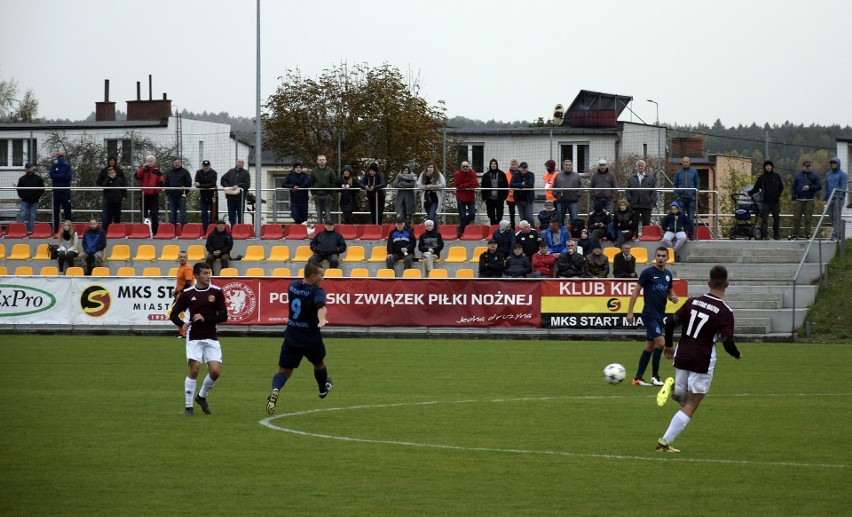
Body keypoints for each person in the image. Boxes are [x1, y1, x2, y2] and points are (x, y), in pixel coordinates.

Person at [655, 265, 740, 453]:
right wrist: (737, 354)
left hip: (682, 352)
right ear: (727, 284)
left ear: (708, 283)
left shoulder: (693, 301)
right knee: (692, 404)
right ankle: (664, 442)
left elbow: (669, 323)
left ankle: (675, 389)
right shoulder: (725, 311)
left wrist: (668, 346)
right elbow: (727, 342)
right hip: (702, 358)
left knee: (685, 399)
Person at [266, 261, 333, 415]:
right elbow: (321, 306)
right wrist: (322, 319)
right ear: (313, 276)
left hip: (292, 336)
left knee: (284, 371)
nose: (323, 278)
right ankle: (323, 390)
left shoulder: (293, 286)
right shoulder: (317, 292)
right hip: (311, 338)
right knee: (319, 364)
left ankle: (275, 390)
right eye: (321, 275)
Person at [170, 261, 228, 416]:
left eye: (209, 273)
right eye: (204, 273)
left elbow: (224, 316)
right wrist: (183, 324)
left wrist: (205, 318)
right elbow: (173, 314)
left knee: (215, 371)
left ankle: (201, 397)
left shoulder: (216, 292)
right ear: (196, 276)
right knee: (194, 369)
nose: (208, 276)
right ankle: (188, 408)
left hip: (211, 336)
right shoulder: (188, 294)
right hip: (194, 336)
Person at [626, 246, 678, 387]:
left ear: (667, 258)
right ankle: (655, 377)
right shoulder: (648, 273)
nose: (661, 258)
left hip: (660, 316)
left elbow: (669, 292)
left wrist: (673, 297)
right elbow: (635, 292)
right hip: (649, 315)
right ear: (655, 257)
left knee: (649, 346)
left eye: (663, 256)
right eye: (658, 255)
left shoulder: (668, 275)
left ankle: (638, 378)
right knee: (661, 344)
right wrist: (630, 312)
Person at [748, 160, 785, 240]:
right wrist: (749, 193)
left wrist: (777, 195)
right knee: (764, 219)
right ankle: (765, 234)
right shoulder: (762, 177)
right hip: (765, 202)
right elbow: (756, 188)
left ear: (772, 167)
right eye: (767, 166)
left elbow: (781, 187)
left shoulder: (776, 176)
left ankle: (776, 234)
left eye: (769, 166)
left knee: (776, 218)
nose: (768, 167)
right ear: (765, 167)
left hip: (775, 202)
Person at [788, 160, 822, 240]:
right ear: (803, 167)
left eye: (809, 166)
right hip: (799, 200)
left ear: (811, 166)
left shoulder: (815, 176)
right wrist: (793, 196)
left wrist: (810, 187)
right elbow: (793, 187)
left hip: (809, 200)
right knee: (796, 218)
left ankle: (808, 234)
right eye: (806, 166)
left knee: (808, 218)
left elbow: (819, 186)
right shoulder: (798, 176)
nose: (808, 168)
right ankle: (795, 234)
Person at [626, 160, 657, 235]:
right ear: (636, 167)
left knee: (646, 222)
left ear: (644, 167)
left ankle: (647, 236)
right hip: (634, 204)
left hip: (646, 204)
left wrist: (651, 200)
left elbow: (654, 191)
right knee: (634, 222)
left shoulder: (650, 177)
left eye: (641, 166)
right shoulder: (631, 178)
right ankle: (634, 236)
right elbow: (627, 191)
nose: (640, 167)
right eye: (639, 166)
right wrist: (630, 200)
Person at [135, 155, 164, 236]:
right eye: (148, 161)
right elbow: (137, 176)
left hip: (153, 196)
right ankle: (142, 231)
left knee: (154, 213)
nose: (150, 162)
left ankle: (155, 232)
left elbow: (161, 183)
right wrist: (143, 168)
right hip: (144, 195)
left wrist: (155, 191)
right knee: (143, 213)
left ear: (154, 162)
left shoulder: (157, 171)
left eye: (151, 161)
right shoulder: (143, 170)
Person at [169, 250, 195, 339]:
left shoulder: (187, 268)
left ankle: (185, 330)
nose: (182, 258)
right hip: (182, 294)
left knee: (173, 315)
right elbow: (182, 282)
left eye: (184, 257)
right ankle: (183, 332)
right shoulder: (181, 268)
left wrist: (180, 293)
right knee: (178, 314)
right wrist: (176, 290)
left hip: (185, 295)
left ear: (187, 258)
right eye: (181, 257)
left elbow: (188, 283)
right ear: (178, 258)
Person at [16, 162, 44, 235]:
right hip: (25, 201)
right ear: (25, 169)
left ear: (32, 168)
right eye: (27, 167)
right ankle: (19, 231)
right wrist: (22, 196)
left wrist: (37, 196)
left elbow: (42, 189)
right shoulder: (22, 179)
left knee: (32, 216)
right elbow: (19, 189)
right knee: (22, 215)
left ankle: (30, 231)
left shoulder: (38, 178)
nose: (28, 169)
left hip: (34, 201)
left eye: (29, 167)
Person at [96, 157, 125, 227]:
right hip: (108, 198)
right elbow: (98, 181)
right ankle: (105, 230)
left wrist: (123, 195)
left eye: (113, 160)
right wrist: (107, 182)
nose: (112, 162)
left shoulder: (119, 173)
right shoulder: (104, 172)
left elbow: (124, 185)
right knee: (106, 215)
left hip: (117, 198)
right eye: (110, 160)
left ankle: (117, 230)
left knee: (117, 215)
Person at [824, 157, 848, 240]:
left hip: (838, 198)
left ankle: (835, 234)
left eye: (835, 163)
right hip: (830, 198)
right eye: (832, 163)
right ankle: (839, 233)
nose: (833, 164)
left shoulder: (843, 175)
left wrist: (840, 197)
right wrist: (825, 198)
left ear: (838, 164)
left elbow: (843, 186)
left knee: (837, 216)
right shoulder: (828, 174)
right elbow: (826, 187)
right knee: (831, 217)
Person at [553, 159, 582, 228]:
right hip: (560, 201)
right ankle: (560, 234)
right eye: (566, 165)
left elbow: (581, 186)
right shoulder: (558, 176)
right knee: (560, 219)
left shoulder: (577, 175)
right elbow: (553, 187)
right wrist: (555, 195)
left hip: (573, 201)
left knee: (574, 219)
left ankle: (574, 234)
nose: (568, 166)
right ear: (563, 166)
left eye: (569, 165)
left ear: (572, 166)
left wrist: (577, 195)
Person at [49, 150, 73, 233]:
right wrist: (62, 175)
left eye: (62, 156)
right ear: (57, 157)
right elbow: (52, 176)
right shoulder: (53, 166)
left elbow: (68, 177)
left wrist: (58, 176)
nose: (61, 158)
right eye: (59, 156)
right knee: (56, 212)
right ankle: (56, 230)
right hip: (56, 192)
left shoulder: (67, 167)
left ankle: (69, 229)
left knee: (67, 211)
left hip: (65, 192)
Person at [221, 159, 250, 225]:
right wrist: (228, 187)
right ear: (236, 163)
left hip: (240, 198)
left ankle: (240, 229)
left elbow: (247, 184)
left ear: (243, 164)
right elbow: (223, 180)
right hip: (230, 197)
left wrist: (238, 185)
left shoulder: (246, 173)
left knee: (240, 215)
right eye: (239, 162)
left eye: (242, 162)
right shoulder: (230, 172)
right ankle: (233, 228)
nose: (240, 163)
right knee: (231, 215)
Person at [164, 158, 192, 226]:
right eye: (175, 162)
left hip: (181, 196)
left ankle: (184, 231)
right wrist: (168, 192)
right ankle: (173, 231)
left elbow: (189, 183)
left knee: (183, 214)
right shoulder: (169, 172)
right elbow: (166, 183)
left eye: (178, 162)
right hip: (171, 196)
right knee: (172, 214)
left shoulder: (185, 172)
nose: (177, 164)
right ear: (173, 163)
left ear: (181, 163)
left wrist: (184, 192)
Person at [454, 160, 479, 238]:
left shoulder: (473, 173)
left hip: (470, 197)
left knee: (472, 214)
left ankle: (460, 228)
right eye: (463, 166)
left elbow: (475, 184)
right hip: (460, 197)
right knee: (462, 216)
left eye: (467, 166)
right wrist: (469, 184)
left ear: (469, 166)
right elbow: (458, 186)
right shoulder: (457, 174)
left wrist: (464, 185)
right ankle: (462, 234)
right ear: (461, 167)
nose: (465, 168)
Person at [673, 156, 700, 226]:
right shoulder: (678, 172)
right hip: (681, 199)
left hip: (691, 199)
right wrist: (677, 196)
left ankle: (691, 235)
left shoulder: (694, 172)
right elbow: (675, 184)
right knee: (681, 217)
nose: (685, 163)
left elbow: (697, 184)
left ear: (689, 162)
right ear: (682, 163)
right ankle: (682, 234)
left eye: (687, 162)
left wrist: (695, 195)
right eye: (684, 162)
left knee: (691, 218)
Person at [309, 155, 336, 224]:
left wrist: (330, 193)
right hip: (317, 195)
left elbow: (333, 181)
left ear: (326, 161)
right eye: (320, 160)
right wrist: (313, 193)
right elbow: (311, 182)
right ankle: (319, 229)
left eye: (323, 160)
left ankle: (328, 229)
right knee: (318, 213)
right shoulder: (314, 171)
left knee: (327, 213)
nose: (321, 161)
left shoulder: (330, 170)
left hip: (327, 195)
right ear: (317, 161)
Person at [481, 158, 508, 226]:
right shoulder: (485, 175)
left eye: (494, 164)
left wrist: (504, 197)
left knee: (499, 215)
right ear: (490, 165)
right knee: (491, 215)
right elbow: (483, 187)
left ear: (497, 165)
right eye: (492, 164)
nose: (493, 165)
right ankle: (492, 229)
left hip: (499, 199)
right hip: (489, 199)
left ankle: (499, 229)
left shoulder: (502, 174)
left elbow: (506, 186)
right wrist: (485, 198)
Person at [194, 160, 218, 233]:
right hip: (203, 196)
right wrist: (202, 185)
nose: (206, 167)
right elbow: (196, 183)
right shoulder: (198, 172)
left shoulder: (214, 173)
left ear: (210, 166)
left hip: (212, 197)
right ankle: (206, 230)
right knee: (204, 214)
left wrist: (201, 185)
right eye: (205, 166)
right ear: (202, 166)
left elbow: (212, 184)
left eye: (207, 166)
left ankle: (213, 230)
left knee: (213, 214)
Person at [101, 166, 126, 232]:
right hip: (109, 201)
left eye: (113, 173)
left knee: (117, 217)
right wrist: (109, 180)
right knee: (108, 217)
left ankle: (117, 231)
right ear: (108, 174)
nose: (112, 174)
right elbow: (104, 189)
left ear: (115, 173)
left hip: (117, 201)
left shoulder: (119, 180)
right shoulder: (107, 180)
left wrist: (123, 196)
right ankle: (106, 231)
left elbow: (124, 188)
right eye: (110, 173)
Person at [510, 161, 536, 226]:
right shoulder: (515, 175)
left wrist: (519, 186)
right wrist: (521, 184)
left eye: (525, 167)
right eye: (523, 167)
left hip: (528, 200)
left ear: (527, 168)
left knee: (529, 217)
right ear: (519, 168)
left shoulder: (531, 174)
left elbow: (530, 185)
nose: (524, 169)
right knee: (522, 218)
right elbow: (511, 185)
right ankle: (524, 232)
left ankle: (533, 230)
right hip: (519, 200)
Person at [505, 160, 519, 228]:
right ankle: (512, 228)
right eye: (512, 164)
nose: (513, 166)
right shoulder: (507, 174)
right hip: (510, 197)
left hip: (519, 196)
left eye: (515, 164)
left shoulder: (520, 173)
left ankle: (523, 228)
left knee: (521, 213)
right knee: (512, 214)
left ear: (517, 165)